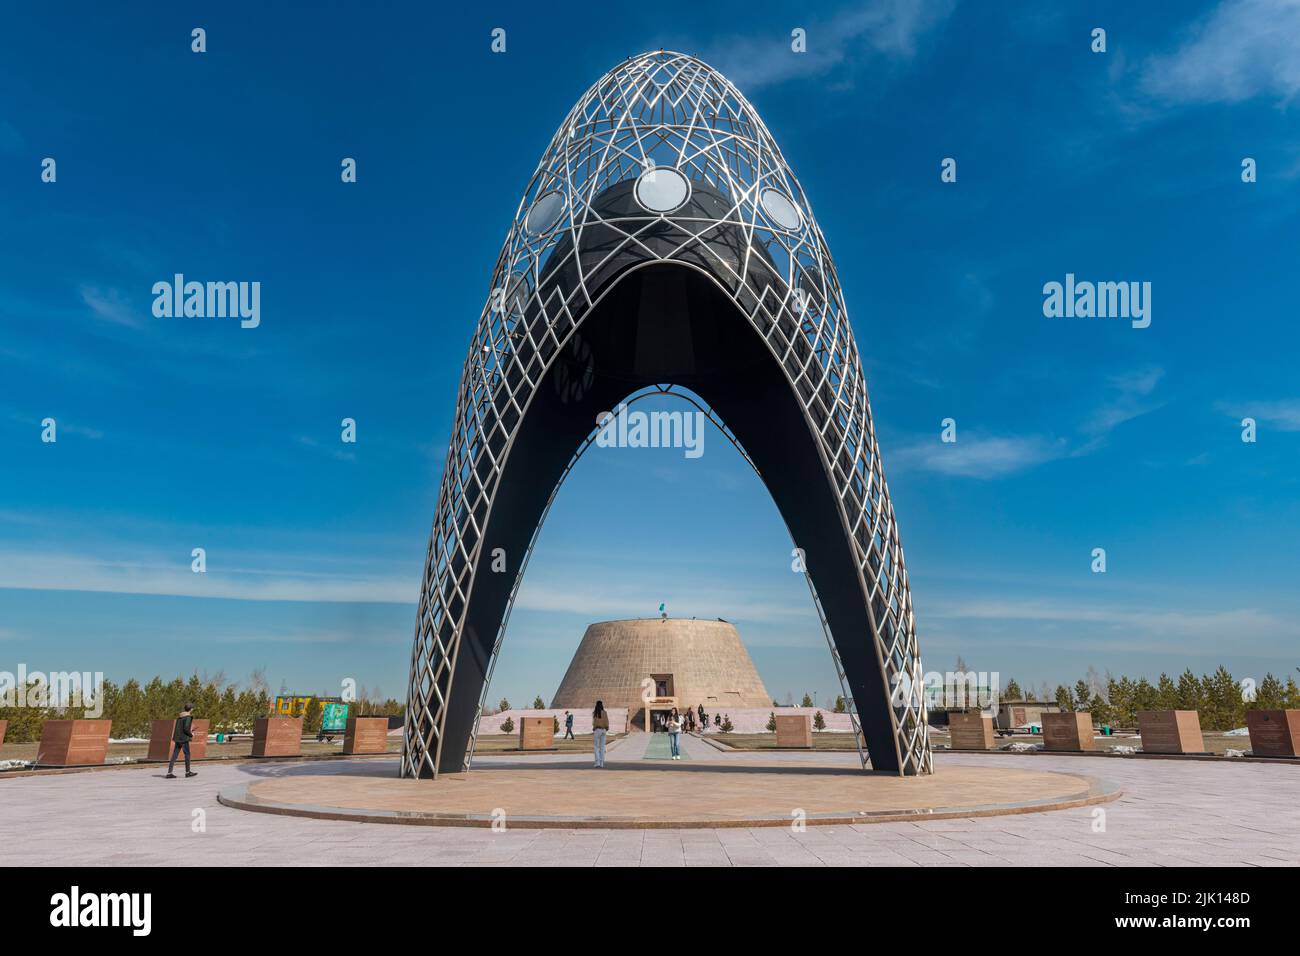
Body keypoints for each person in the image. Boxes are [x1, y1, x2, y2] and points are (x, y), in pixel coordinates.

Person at [165, 703, 198, 779]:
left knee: (174, 755)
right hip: (184, 739)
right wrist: (191, 734)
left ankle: (169, 773)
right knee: (187, 754)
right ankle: (188, 772)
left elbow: (181, 728)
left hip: (178, 738)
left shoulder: (180, 717)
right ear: (191, 709)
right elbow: (186, 728)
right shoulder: (188, 717)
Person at [591, 700, 609, 768]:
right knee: (602, 747)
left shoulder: (595, 713)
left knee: (596, 747)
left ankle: (597, 762)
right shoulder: (605, 713)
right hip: (603, 730)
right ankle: (602, 763)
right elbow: (607, 721)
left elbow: (594, 723)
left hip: (597, 730)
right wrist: (606, 728)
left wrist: (594, 728)